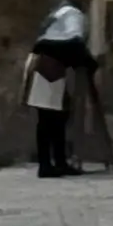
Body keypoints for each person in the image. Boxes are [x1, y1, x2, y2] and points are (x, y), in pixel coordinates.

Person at [30, 0, 113, 175]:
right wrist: (88, 62)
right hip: (52, 68)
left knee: (49, 118)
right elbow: (73, 40)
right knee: (53, 118)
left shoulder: (58, 12)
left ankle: (53, 162)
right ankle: (52, 163)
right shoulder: (72, 15)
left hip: (44, 64)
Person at [21, 34, 71, 176]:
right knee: (50, 123)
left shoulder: (47, 36)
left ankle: (54, 163)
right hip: (48, 78)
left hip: (46, 77)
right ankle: (49, 164)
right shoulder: (59, 38)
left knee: (50, 123)